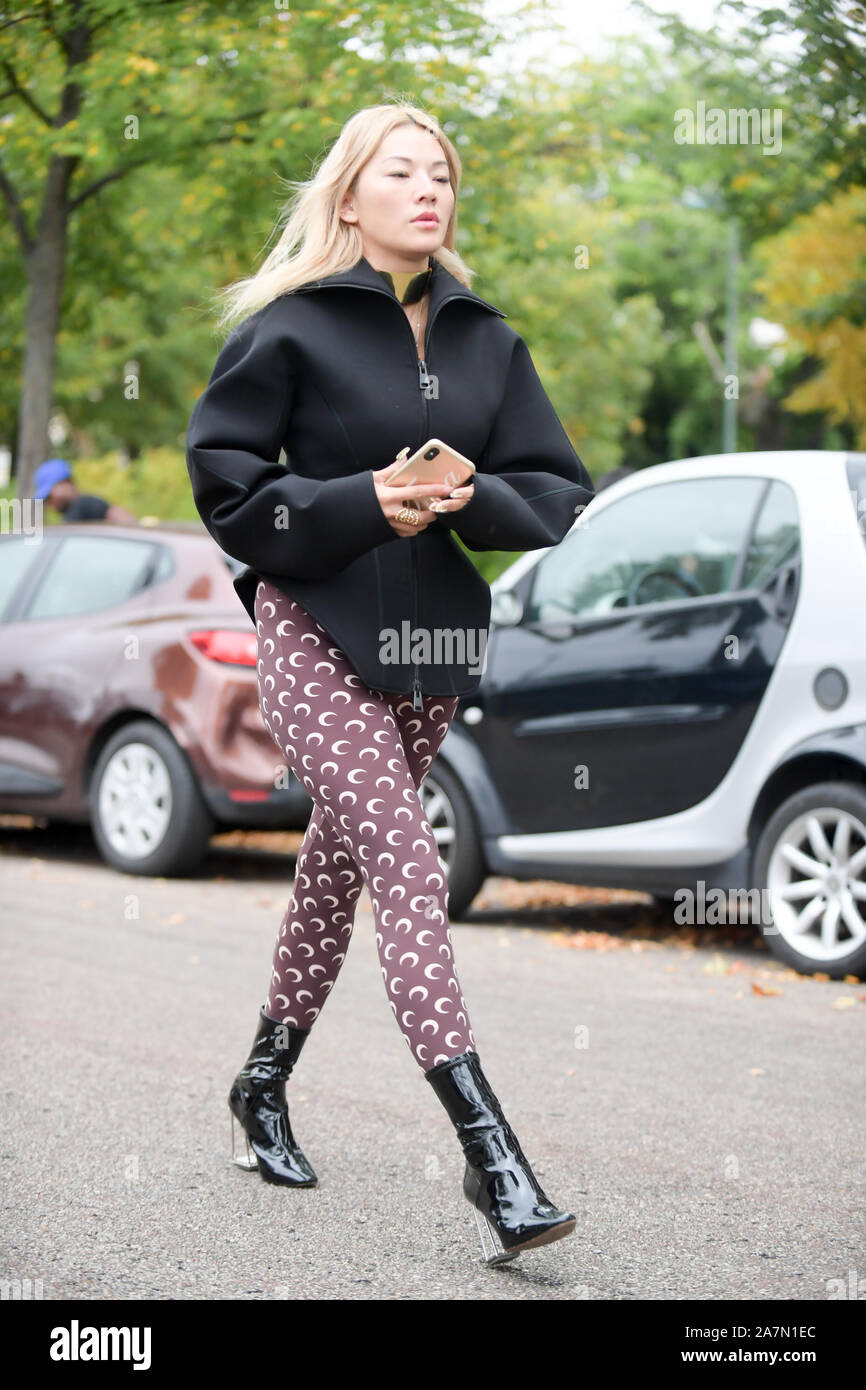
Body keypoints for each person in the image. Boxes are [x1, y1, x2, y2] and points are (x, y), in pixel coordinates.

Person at [185, 100, 595, 1267]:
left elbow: (556, 487)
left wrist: (469, 496)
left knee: (336, 872)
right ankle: (493, 1156)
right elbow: (227, 485)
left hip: (429, 653)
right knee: (409, 865)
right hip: (311, 625)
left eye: (443, 175)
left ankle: (258, 1086)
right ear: (350, 194)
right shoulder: (293, 328)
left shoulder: (485, 340)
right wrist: (359, 500)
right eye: (401, 171)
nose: (429, 190)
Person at [33, 458, 137, 523]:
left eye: (49, 497)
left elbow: (129, 523)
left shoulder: (85, 504)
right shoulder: (73, 511)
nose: (49, 504)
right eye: (46, 500)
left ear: (65, 483)